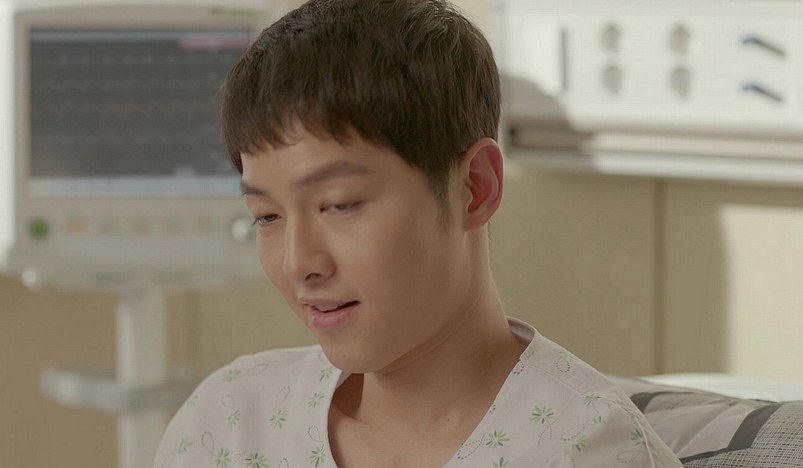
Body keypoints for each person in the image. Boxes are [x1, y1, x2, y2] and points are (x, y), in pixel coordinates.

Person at [153, 0, 682, 466]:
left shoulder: (588, 453)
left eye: (339, 205)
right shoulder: (228, 422)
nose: (299, 263)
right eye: (267, 216)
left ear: (475, 188)